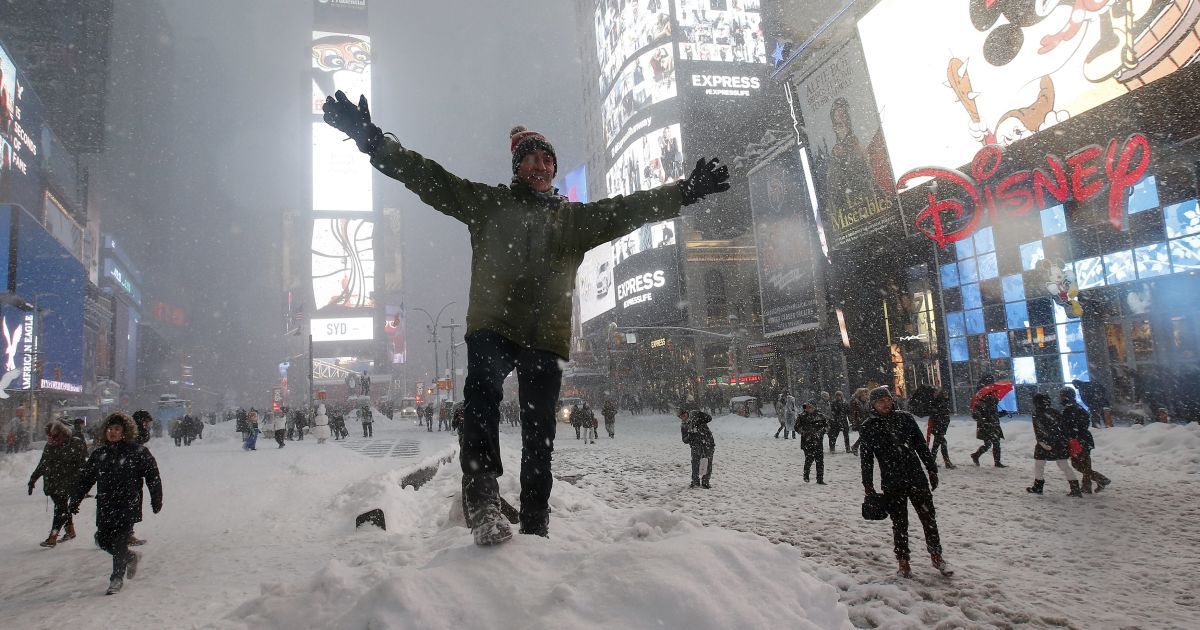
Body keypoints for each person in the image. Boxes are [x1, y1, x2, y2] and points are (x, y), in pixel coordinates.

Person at [323, 90, 729, 545]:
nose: (540, 165)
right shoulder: (488, 204)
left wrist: (684, 191)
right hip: (493, 325)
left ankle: (536, 523)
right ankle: (482, 498)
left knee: (541, 433)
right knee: (481, 396)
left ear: (554, 168)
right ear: (517, 167)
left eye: (546, 159)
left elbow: (629, 208)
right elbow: (428, 177)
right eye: (531, 159)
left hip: (546, 337)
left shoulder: (574, 220)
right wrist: (372, 140)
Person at [859, 386, 951, 578]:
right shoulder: (869, 426)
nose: (886, 403)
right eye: (881, 401)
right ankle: (903, 561)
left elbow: (920, 445)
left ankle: (936, 555)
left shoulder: (905, 418)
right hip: (892, 481)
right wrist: (868, 484)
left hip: (916, 476)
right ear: (873, 405)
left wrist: (931, 469)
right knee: (900, 523)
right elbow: (866, 459)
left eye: (888, 400)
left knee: (929, 518)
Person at [70, 412, 163, 595]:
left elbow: (153, 476)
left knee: (120, 540)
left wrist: (156, 498)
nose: (112, 432)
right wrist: (75, 499)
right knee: (102, 539)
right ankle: (129, 557)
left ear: (125, 431)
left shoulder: (138, 452)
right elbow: (85, 479)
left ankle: (116, 578)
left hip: (128, 504)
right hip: (106, 504)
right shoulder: (100, 454)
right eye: (110, 429)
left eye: (117, 429)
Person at [28, 420, 88, 547]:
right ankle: (70, 530)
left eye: (53, 436)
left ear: (61, 434)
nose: (50, 439)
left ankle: (53, 537)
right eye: (49, 436)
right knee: (63, 508)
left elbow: (82, 466)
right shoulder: (49, 445)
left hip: (68, 483)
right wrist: (33, 479)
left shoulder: (74, 444)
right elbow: (42, 464)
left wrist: (82, 484)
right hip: (52, 483)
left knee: (60, 509)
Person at [1028, 393, 1081, 497]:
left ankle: (1038, 486)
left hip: (1045, 443)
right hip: (1059, 443)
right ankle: (1075, 488)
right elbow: (1062, 428)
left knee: (1039, 465)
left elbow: (1038, 430)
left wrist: (1043, 442)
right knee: (1064, 465)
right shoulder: (1055, 412)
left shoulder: (1037, 414)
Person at [1061, 386, 1111, 493]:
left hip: (1077, 441)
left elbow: (1068, 427)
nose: (1061, 398)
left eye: (1062, 396)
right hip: (1085, 439)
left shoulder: (1069, 410)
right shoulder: (1078, 407)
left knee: (1077, 464)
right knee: (1085, 463)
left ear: (1066, 397)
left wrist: (1070, 436)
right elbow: (1085, 422)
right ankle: (1086, 486)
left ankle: (1101, 479)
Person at [679, 403, 715, 489]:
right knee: (695, 463)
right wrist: (690, 434)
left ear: (687, 413)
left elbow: (709, 418)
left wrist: (700, 413)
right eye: (681, 416)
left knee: (708, 463)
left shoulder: (696, 416)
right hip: (695, 446)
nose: (683, 417)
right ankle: (695, 481)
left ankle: (705, 481)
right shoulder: (684, 425)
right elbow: (684, 440)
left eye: (684, 414)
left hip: (707, 442)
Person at [970, 393, 1006, 467]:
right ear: (988, 395)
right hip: (986, 427)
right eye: (993, 394)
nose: (995, 396)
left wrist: (1002, 413)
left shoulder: (993, 403)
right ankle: (977, 456)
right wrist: (982, 418)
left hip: (994, 426)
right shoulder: (981, 404)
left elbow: (994, 415)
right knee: (990, 444)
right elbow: (975, 416)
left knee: (994, 444)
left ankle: (996, 462)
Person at [797, 402, 828, 484]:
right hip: (807, 441)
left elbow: (826, 426)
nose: (808, 408)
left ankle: (820, 479)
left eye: (810, 407)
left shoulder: (820, 416)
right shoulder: (801, 416)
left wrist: (820, 432)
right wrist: (804, 432)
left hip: (818, 441)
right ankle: (806, 475)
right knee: (809, 459)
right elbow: (797, 427)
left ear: (814, 407)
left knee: (820, 460)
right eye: (807, 407)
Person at [928, 388, 955, 469]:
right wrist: (942, 413)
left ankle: (932, 461)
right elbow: (936, 415)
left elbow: (943, 413)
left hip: (940, 427)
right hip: (938, 428)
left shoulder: (943, 402)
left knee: (937, 444)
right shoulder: (937, 402)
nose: (946, 394)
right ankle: (946, 462)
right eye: (945, 393)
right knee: (942, 443)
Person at [849, 387, 870, 454]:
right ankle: (859, 449)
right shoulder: (855, 402)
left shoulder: (867, 402)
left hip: (866, 421)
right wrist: (854, 422)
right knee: (864, 436)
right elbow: (853, 413)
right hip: (860, 422)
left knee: (865, 436)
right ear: (859, 395)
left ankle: (856, 447)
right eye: (863, 395)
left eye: (866, 394)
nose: (865, 396)